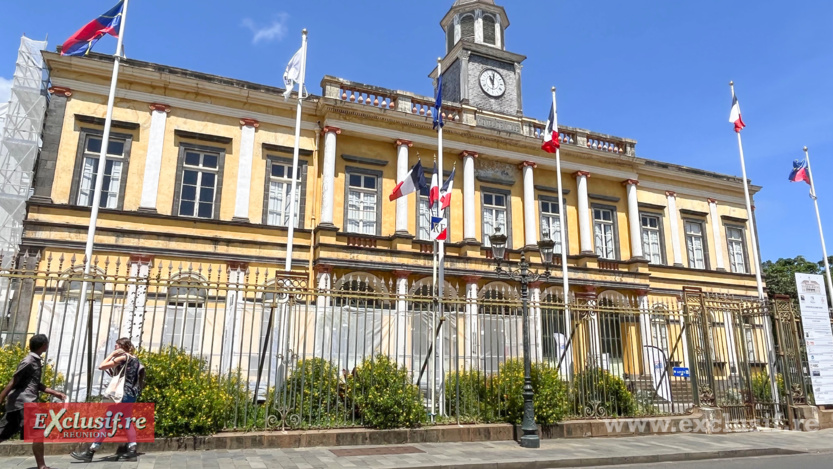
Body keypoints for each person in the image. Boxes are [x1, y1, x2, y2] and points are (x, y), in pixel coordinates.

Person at [70, 338, 145, 463]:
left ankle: (91, 451)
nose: (115, 346)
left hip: (121, 395)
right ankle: (132, 450)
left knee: (107, 421)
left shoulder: (123, 357)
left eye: (117, 345)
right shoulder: (134, 358)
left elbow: (101, 366)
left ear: (122, 346)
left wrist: (112, 355)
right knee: (126, 421)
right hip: (131, 395)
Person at [0, 334, 67, 469]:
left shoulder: (35, 360)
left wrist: (55, 392)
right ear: (43, 345)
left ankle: (41, 465)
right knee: (38, 432)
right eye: (47, 343)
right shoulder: (29, 361)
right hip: (25, 402)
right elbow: (14, 380)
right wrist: (0, 398)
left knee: (5, 432)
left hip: (21, 402)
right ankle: (41, 466)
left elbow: (35, 383)